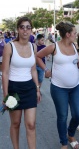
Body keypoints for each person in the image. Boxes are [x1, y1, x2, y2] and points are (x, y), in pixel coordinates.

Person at [36, 22, 79, 149]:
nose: (76, 35)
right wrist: (46, 70)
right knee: (62, 116)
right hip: (59, 88)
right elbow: (38, 56)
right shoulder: (54, 47)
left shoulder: (74, 46)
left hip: (75, 87)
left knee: (78, 114)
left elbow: (78, 64)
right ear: (68, 34)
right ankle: (64, 142)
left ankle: (71, 134)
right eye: (74, 33)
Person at [2, 17, 41, 149]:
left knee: (31, 124)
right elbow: (5, 73)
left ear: (31, 30)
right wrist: (5, 95)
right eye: (22, 27)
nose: (25, 30)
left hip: (29, 87)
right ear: (18, 29)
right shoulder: (9, 47)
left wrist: (37, 89)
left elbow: (34, 69)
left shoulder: (33, 46)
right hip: (14, 88)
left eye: (28, 27)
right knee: (16, 123)